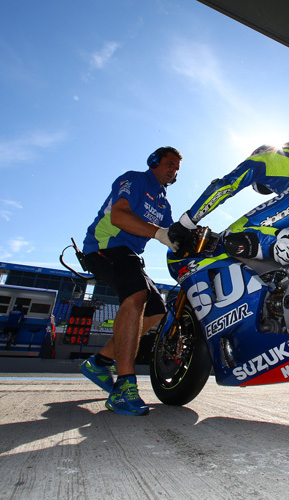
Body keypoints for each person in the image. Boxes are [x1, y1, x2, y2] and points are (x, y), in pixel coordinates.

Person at [171, 142, 289, 303]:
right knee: (280, 236)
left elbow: (225, 186)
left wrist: (186, 222)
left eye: (264, 187)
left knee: (234, 235)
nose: (267, 188)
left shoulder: (266, 157)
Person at [79, 146, 183, 416]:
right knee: (136, 293)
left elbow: (175, 237)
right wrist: (159, 234)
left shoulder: (163, 204)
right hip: (105, 247)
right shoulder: (134, 179)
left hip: (129, 255)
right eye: (169, 164)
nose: (172, 171)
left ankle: (100, 362)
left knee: (157, 311)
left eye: (176, 169)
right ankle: (125, 388)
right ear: (154, 162)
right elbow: (119, 215)